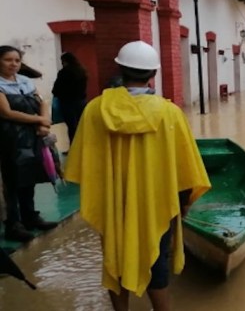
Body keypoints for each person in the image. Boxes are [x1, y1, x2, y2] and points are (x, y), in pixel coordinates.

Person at [64, 41, 211, 311]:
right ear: (152, 74)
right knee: (157, 261)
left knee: (116, 257)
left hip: (112, 201)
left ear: (120, 69)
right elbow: (185, 168)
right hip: (157, 202)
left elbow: (82, 164)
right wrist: (184, 203)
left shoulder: (95, 110)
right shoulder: (170, 113)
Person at [0, 45, 59, 242]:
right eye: (8, 60)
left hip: (31, 137)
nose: (13, 64)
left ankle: (30, 217)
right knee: (13, 180)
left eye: (17, 60)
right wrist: (38, 121)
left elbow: (41, 102)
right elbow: (6, 113)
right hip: (8, 139)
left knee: (29, 176)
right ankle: (14, 225)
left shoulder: (25, 81)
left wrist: (44, 123)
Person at [51, 51, 88, 143]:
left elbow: (56, 89)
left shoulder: (64, 72)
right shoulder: (82, 71)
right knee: (81, 125)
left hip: (67, 103)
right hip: (81, 102)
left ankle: (73, 147)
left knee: (71, 126)